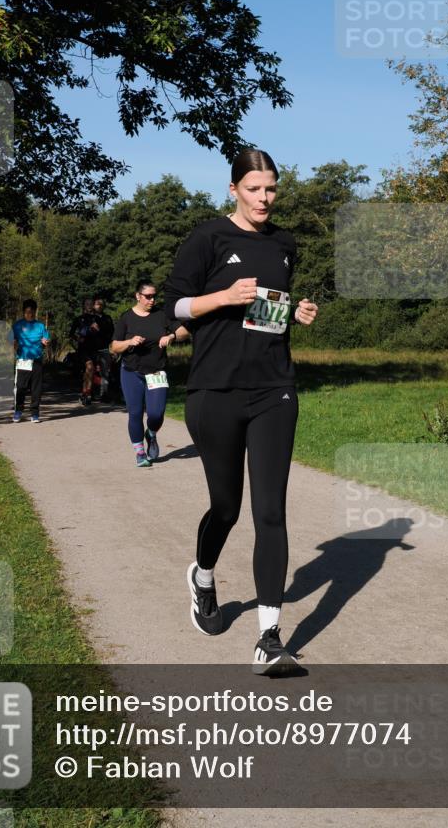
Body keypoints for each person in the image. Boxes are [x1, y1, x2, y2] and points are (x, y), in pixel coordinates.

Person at [163, 148, 318, 675]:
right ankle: (203, 576)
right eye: (254, 189)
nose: (264, 198)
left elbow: (271, 309)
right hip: (215, 390)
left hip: (274, 388)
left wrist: (295, 310)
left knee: (269, 511)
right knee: (226, 508)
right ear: (234, 190)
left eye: (271, 188)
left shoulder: (285, 243)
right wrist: (223, 296)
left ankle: (268, 638)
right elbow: (175, 307)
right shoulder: (208, 238)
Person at [112, 280, 189, 467]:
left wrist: (170, 336)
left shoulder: (162, 315)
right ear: (138, 296)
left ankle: (151, 433)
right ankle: (140, 453)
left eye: (154, 296)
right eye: (147, 296)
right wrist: (129, 342)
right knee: (135, 413)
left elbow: (185, 332)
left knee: (156, 414)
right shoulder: (126, 318)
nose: (151, 300)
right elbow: (114, 346)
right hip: (131, 371)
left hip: (157, 372)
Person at [11, 299, 50, 423]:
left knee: (36, 389)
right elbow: (10, 340)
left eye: (32, 312)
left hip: (37, 360)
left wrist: (45, 343)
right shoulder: (17, 325)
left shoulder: (40, 326)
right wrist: (14, 344)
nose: (30, 314)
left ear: (35, 311)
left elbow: (46, 340)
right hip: (23, 360)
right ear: (23, 312)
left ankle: (35, 413)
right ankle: (18, 411)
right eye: (27, 312)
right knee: (21, 387)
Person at [70, 298, 96, 405]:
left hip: (95, 347)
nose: (89, 305)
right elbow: (71, 333)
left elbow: (103, 332)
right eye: (87, 304)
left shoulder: (96, 318)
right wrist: (77, 339)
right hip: (83, 348)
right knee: (90, 367)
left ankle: (85, 393)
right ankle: (87, 393)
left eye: (91, 304)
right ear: (84, 306)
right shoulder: (79, 319)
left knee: (90, 371)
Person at [91, 297, 116, 402]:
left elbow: (111, 333)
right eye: (97, 304)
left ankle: (104, 394)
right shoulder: (90, 318)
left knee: (105, 372)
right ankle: (89, 393)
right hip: (91, 349)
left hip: (105, 348)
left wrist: (113, 348)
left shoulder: (108, 318)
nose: (99, 306)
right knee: (90, 371)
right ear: (93, 305)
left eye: (101, 304)